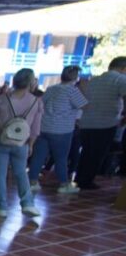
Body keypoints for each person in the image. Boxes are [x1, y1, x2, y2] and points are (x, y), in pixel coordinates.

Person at [0, 68, 43, 218]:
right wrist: (31, 144)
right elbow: (36, 127)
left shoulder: (2, 99)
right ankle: (27, 203)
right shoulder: (36, 101)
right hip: (22, 142)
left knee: (0, 173)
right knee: (21, 172)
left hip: (1, 140)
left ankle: (0, 205)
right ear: (30, 82)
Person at [28, 66, 87, 194]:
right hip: (62, 129)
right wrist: (83, 88)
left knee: (39, 156)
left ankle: (32, 181)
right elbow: (85, 106)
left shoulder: (51, 89)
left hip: (44, 127)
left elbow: (42, 103)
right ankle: (64, 184)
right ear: (76, 77)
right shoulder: (72, 91)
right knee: (61, 158)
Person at [75, 56, 126, 190]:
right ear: (123, 68)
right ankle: (87, 181)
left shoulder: (95, 80)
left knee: (86, 152)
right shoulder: (121, 79)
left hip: (87, 122)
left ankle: (80, 178)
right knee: (97, 154)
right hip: (106, 122)